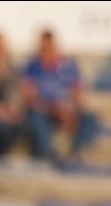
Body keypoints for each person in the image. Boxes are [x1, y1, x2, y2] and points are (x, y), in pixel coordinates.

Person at [21, 30, 100, 163]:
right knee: (36, 116)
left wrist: (72, 109)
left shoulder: (68, 65)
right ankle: (48, 153)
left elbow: (78, 91)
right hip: (45, 109)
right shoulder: (33, 67)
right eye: (43, 46)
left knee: (90, 118)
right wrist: (53, 109)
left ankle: (77, 151)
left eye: (49, 45)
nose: (46, 49)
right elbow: (29, 95)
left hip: (66, 109)